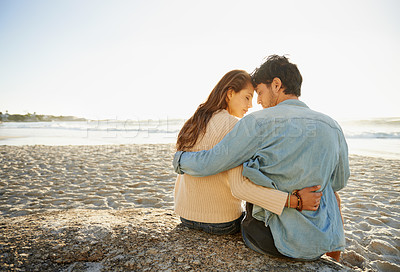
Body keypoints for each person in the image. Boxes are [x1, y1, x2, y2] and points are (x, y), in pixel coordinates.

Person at [173, 55, 350, 261]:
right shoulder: (332, 126)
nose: (257, 101)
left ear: (276, 85)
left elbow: (212, 162)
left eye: (259, 93)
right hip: (319, 240)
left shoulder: (255, 123)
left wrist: (180, 160)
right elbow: (339, 181)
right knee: (331, 194)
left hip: (271, 240)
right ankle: (334, 260)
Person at [174, 69, 322, 236]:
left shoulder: (195, 120)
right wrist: (294, 201)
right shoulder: (233, 126)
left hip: (185, 216)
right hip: (219, 222)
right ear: (230, 93)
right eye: (247, 97)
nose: (251, 105)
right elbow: (240, 188)